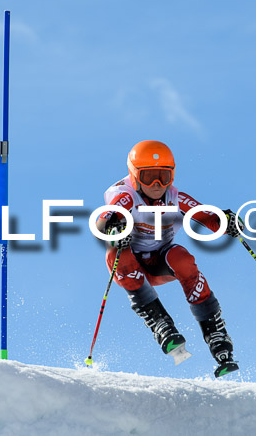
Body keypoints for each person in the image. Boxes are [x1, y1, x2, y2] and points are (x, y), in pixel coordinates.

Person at [95, 140, 242, 377]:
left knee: (181, 256)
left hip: (160, 262)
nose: (157, 184)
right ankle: (158, 321)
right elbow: (103, 219)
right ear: (134, 176)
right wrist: (113, 229)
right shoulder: (125, 196)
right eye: (149, 176)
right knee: (115, 252)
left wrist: (227, 222)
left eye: (164, 176)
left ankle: (215, 331)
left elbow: (207, 216)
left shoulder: (176, 198)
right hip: (132, 266)